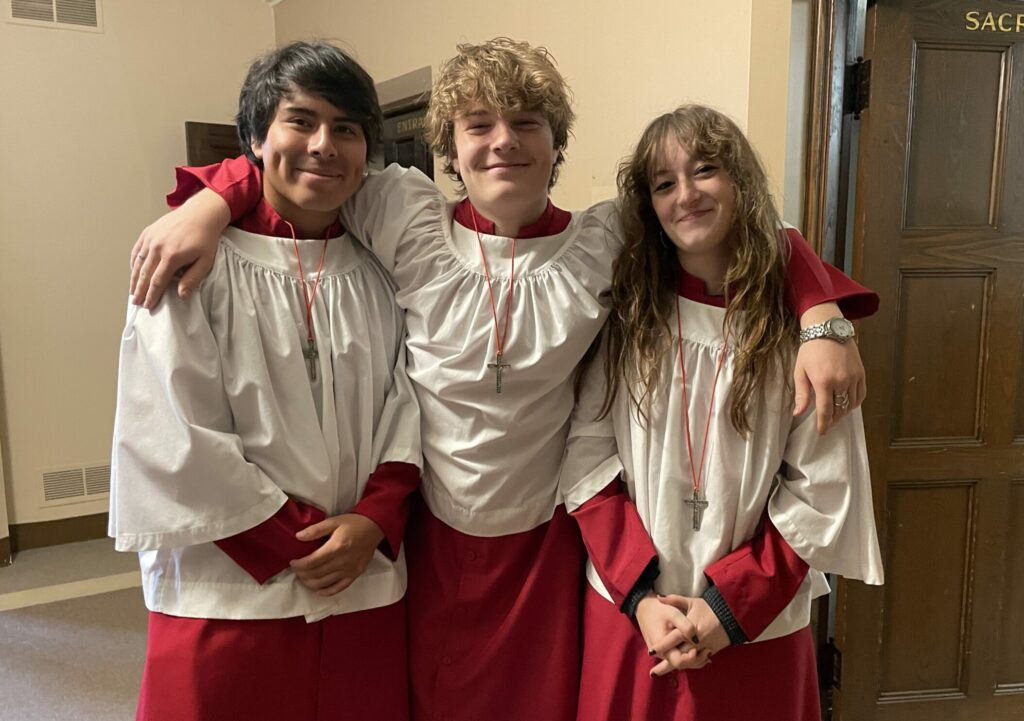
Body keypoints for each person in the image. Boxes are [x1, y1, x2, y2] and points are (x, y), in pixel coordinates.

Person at [126, 39, 876, 721]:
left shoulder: (603, 239)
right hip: (426, 538)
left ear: (556, 145)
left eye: (526, 122)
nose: (503, 142)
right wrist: (213, 199)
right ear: (448, 147)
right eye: (478, 124)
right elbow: (301, 171)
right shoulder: (404, 216)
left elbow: (736, 222)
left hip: (545, 549)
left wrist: (820, 314)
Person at [109, 41, 421, 721]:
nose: (323, 145)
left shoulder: (376, 270)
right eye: (300, 121)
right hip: (230, 590)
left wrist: (375, 519)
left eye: (345, 129)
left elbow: (407, 401)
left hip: (362, 582)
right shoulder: (190, 262)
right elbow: (171, 429)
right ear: (255, 136)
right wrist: (294, 542)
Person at [559, 104, 884, 721]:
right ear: (648, 206)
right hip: (635, 617)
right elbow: (586, 460)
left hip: (754, 623)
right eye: (663, 183)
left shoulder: (803, 336)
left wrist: (726, 609)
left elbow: (822, 490)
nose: (686, 194)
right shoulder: (628, 319)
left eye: (705, 169)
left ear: (740, 182)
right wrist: (644, 598)